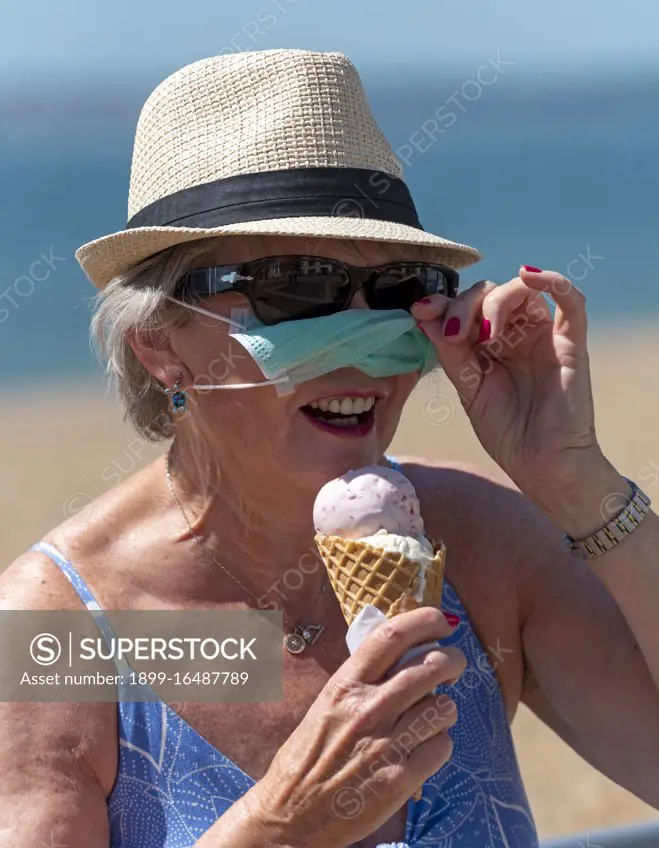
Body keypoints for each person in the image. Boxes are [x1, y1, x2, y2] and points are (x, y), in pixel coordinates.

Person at [1, 49, 658, 848]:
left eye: (397, 291)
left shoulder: (478, 544)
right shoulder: (59, 624)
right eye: (298, 289)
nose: (359, 349)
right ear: (159, 345)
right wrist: (277, 829)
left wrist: (574, 480)